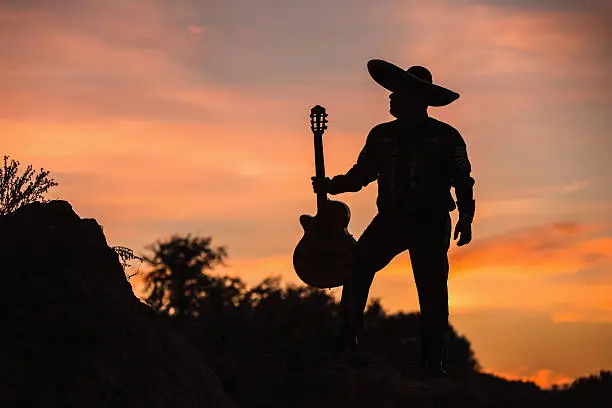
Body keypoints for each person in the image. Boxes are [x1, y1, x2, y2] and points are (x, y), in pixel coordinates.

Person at [312, 59, 476, 378]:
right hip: (392, 220)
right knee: (359, 264)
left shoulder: (446, 137)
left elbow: (463, 179)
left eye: (396, 93)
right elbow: (361, 175)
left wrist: (466, 216)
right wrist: (332, 185)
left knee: (431, 290)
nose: (390, 98)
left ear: (414, 98)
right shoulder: (381, 136)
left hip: (430, 221)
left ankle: (433, 362)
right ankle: (347, 337)